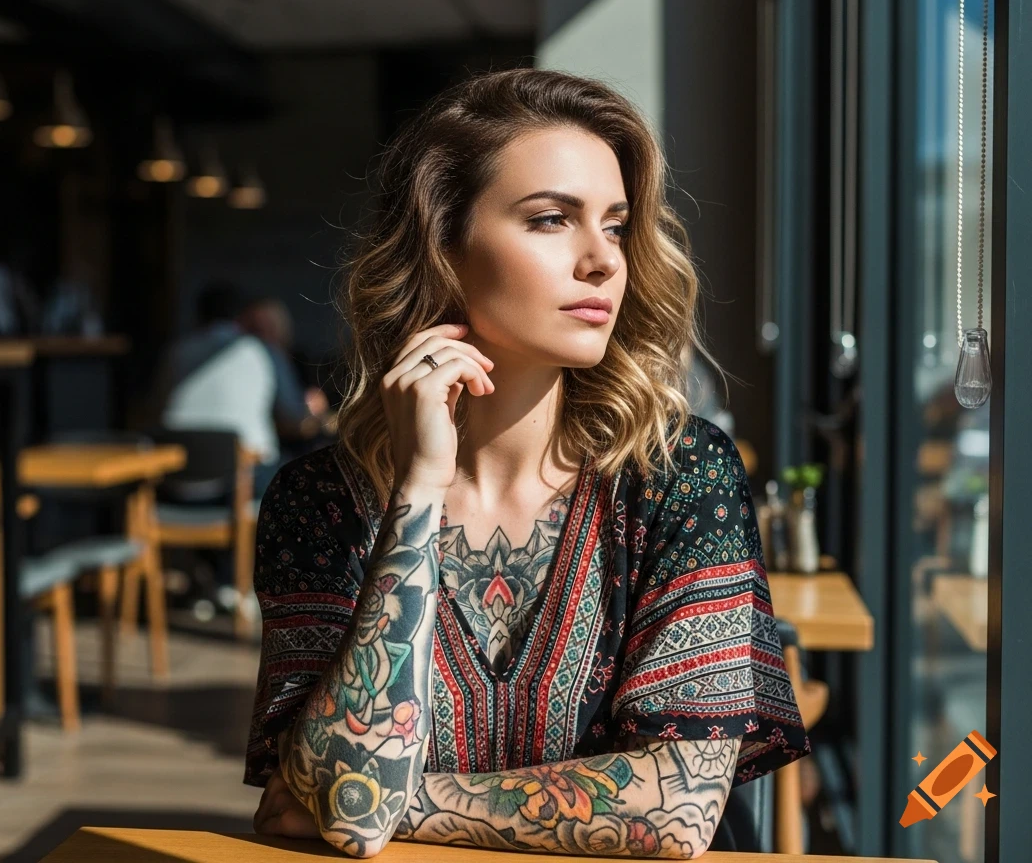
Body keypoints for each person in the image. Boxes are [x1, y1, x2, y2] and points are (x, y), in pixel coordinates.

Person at [244, 69, 809, 859]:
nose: (603, 261)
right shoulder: (319, 504)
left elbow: (675, 815)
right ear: (443, 247)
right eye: (550, 220)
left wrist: (386, 802)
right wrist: (416, 495)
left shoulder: (678, 474)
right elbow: (328, 802)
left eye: (615, 225)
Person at [151, 282, 280, 496]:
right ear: (241, 318)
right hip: (244, 481)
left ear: (198, 316)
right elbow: (294, 413)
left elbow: (156, 406)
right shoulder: (260, 350)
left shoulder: (176, 353)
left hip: (179, 482)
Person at [237, 296, 335, 462]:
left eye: (269, 326)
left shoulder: (300, 361)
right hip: (266, 451)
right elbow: (293, 414)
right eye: (256, 329)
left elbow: (310, 408)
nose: (264, 336)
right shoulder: (244, 362)